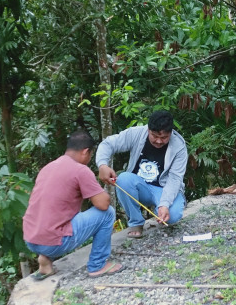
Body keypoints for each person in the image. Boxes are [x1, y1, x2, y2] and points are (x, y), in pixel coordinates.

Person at [22, 129, 123, 279]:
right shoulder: (80, 170)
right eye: (90, 155)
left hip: (31, 239)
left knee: (53, 215)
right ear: (85, 152)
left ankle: (45, 261)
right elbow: (103, 204)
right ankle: (98, 265)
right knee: (107, 214)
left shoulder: (48, 168)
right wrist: (102, 187)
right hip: (54, 242)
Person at [96, 110, 188, 238]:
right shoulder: (136, 133)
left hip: (163, 189)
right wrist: (102, 165)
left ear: (171, 133)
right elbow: (108, 144)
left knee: (172, 216)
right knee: (123, 179)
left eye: (164, 138)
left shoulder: (179, 146)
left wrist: (164, 204)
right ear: (148, 130)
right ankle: (136, 222)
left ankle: (160, 210)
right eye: (155, 136)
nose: (159, 141)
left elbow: (175, 179)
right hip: (139, 186)